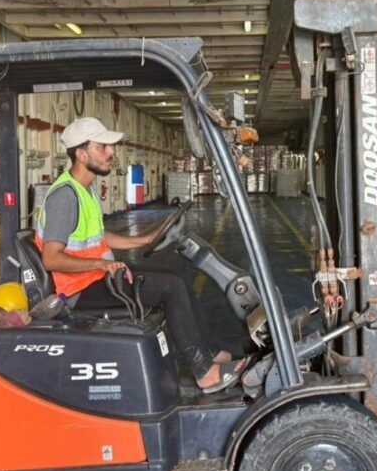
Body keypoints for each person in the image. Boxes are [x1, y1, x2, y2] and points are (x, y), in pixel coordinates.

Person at [36, 117, 246, 393]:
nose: (112, 153)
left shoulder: (84, 190)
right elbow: (51, 258)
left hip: (95, 277)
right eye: (103, 147)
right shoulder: (65, 196)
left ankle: (210, 352)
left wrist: (144, 239)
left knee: (177, 277)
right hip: (79, 289)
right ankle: (205, 372)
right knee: (171, 288)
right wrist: (101, 263)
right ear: (82, 153)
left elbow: (100, 235)